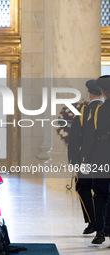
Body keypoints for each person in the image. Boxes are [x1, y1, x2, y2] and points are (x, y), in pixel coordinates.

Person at [68, 79, 103, 235]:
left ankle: (92, 221)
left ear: (90, 94)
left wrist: (73, 160)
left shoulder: (84, 112)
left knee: (83, 187)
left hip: (86, 159)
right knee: (103, 191)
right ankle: (103, 224)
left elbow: (74, 138)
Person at [80, 75, 110, 244]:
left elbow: (90, 136)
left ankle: (100, 231)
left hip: (101, 155)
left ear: (104, 92)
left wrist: (85, 159)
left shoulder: (99, 110)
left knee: (100, 194)